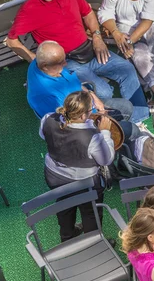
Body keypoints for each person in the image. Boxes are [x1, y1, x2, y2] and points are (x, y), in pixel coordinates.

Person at [7, 0, 149, 123]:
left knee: (127, 69)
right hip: (66, 61)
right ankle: (117, 118)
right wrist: (35, 60)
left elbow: (87, 13)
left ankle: (140, 118)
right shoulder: (30, 9)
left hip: (88, 49)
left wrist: (96, 37)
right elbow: (11, 40)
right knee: (105, 93)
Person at [40, 91, 114, 242]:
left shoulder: (47, 118)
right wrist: (105, 132)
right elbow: (106, 160)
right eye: (90, 109)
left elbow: (43, 135)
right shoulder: (92, 136)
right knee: (90, 212)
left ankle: (67, 237)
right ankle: (94, 243)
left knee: (64, 206)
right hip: (84, 182)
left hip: (54, 177)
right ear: (83, 115)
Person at [26, 41, 138, 140]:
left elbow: (75, 83)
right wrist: (98, 118)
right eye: (61, 62)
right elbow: (69, 125)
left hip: (87, 106)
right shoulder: (45, 96)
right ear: (45, 66)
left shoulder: (41, 62)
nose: (65, 64)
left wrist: (93, 95)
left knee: (127, 106)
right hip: (83, 126)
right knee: (132, 130)